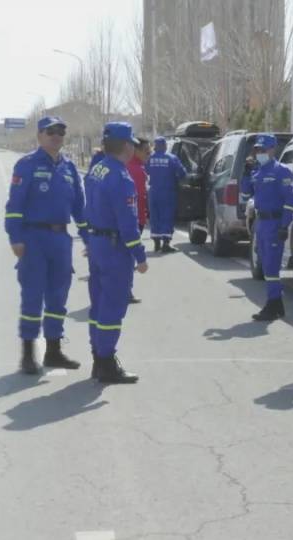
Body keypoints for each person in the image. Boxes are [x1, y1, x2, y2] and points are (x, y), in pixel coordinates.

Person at [5, 116, 88, 375]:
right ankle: (28, 353)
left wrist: (89, 238)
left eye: (60, 132)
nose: (56, 136)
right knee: (32, 297)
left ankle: (53, 351)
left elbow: (79, 208)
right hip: (34, 239)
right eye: (50, 132)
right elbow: (14, 206)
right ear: (40, 136)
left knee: (58, 297)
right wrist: (15, 238)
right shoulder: (27, 164)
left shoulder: (69, 168)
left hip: (60, 239)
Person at [84, 122, 148, 384]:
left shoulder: (97, 169)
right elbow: (128, 224)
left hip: (97, 243)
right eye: (132, 143)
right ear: (126, 146)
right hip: (114, 248)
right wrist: (140, 256)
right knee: (113, 306)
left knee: (99, 304)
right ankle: (107, 362)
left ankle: (98, 359)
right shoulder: (121, 178)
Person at [241, 134, 293, 322]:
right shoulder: (257, 172)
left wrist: (284, 225)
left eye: (263, 149)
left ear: (273, 150)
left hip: (275, 222)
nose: (260, 153)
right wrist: (246, 173)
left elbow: (290, 200)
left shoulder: (281, 171)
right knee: (265, 265)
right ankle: (277, 303)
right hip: (261, 222)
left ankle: (272, 304)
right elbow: (245, 194)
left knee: (272, 266)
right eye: (257, 149)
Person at [145, 136, 187, 253]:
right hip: (168, 192)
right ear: (164, 146)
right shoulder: (171, 158)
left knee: (155, 216)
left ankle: (156, 243)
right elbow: (182, 173)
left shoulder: (149, 158)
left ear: (155, 146)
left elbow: (146, 170)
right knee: (167, 216)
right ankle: (166, 244)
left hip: (153, 192)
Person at [126, 138, 150, 304]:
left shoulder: (131, 167)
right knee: (128, 258)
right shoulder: (136, 170)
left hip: (134, 218)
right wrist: (143, 217)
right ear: (136, 150)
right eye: (146, 151)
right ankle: (126, 291)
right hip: (134, 220)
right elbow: (139, 198)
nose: (149, 154)